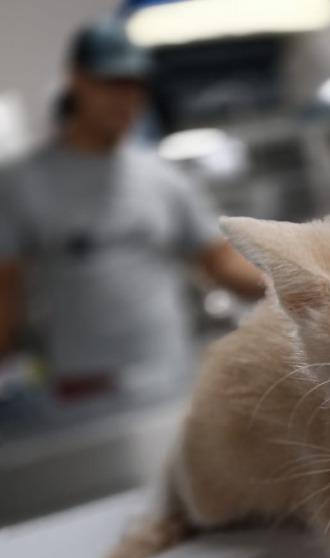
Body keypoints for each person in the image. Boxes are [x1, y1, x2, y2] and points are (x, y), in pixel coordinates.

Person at [0, 19, 264, 402]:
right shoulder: (20, 183)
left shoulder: (163, 178)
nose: (127, 99)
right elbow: (5, 294)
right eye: (112, 83)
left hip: (166, 381)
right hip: (73, 393)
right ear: (76, 80)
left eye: (136, 85)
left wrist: (299, 288)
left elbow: (220, 261)